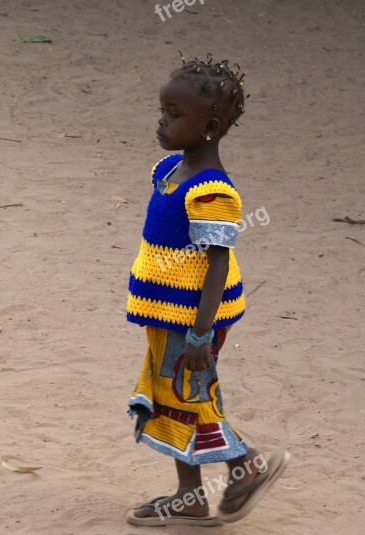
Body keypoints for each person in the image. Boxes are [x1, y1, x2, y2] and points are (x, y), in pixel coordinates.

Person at [125, 53, 289, 527]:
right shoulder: (167, 172)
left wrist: (201, 335)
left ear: (210, 127)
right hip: (165, 313)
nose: (161, 121)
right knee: (173, 399)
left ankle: (247, 463)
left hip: (194, 320)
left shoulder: (211, 190)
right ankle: (190, 497)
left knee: (193, 396)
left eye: (174, 116)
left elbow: (217, 265)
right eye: (162, 111)